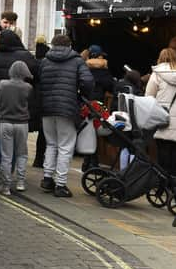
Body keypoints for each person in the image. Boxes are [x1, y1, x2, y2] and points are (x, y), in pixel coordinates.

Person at [39, 35, 94, 198]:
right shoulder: (77, 61)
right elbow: (88, 82)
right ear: (69, 45)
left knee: (51, 144)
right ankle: (61, 184)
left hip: (47, 107)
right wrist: (80, 96)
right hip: (67, 108)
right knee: (65, 146)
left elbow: (39, 81)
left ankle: (47, 178)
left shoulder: (45, 61)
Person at [145, 48, 176, 179]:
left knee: (162, 150)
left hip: (162, 117)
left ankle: (163, 182)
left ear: (160, 58)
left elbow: (148, 97)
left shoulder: (156, 75)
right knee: (175, 150)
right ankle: (174, 182)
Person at [0, 61, 33, 195]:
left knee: (6, 155)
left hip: (5, 122)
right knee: (22, 153)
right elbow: (30, 103)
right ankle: (21, 182)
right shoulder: (28, 87)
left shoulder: (2, 84)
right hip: (22, 123)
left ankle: (5, 186)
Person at [82, 44, 115, 171]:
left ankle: (88, 162)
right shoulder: (103, 69)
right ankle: (92, 162)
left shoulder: (83, 67)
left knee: (87, 131)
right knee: (95, 132)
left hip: (85, 102)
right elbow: (110, 85)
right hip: (98, 104)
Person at [33, 35, 50, 168]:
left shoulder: (33, 61)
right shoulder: (47, 62)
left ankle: (37, 159)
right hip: (45, 97)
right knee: (44, 132)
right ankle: (40, 159)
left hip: (34, 97)